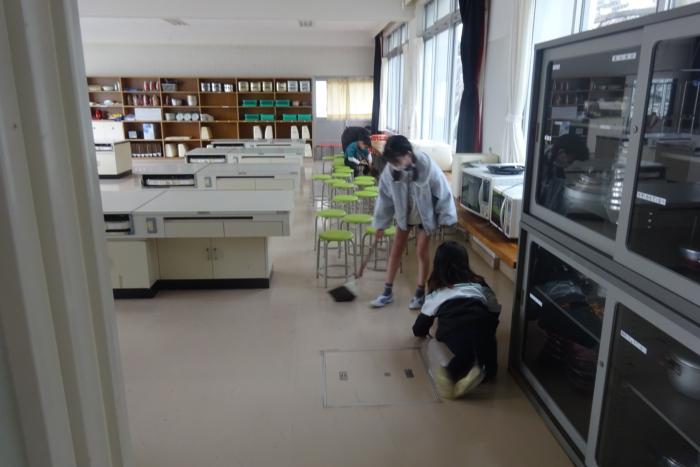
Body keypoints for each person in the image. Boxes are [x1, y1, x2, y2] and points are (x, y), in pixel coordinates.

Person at [370, 135, 457, 309]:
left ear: (408, 154)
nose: (394, 165)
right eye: (391, 162)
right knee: (396, 249)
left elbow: (442, 189)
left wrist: (446, 216)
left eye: (397, 161)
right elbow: (384, 198)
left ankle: (419, 293)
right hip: (405, 214)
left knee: (421, 251)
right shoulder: (390, 170)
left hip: (425, 215)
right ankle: (387, 292)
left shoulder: (426, 165)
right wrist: (381, 224)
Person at [412, 241, 501, 399]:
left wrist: (422, 332)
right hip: (481, 323)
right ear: (465, 263)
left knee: (464, 354)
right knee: (486, 344)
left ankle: (450, 374)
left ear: (438, 266)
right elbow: (495, 308)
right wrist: (491, 326)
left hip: (453, 330)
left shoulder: (437, 291)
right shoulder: (479, 284)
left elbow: (419, 328)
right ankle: (485, 370)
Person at [536, 134, 589, 214]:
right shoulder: (536, 160)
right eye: (570, 162)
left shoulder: (559, 173)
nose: (570, 166)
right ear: (561, 153)